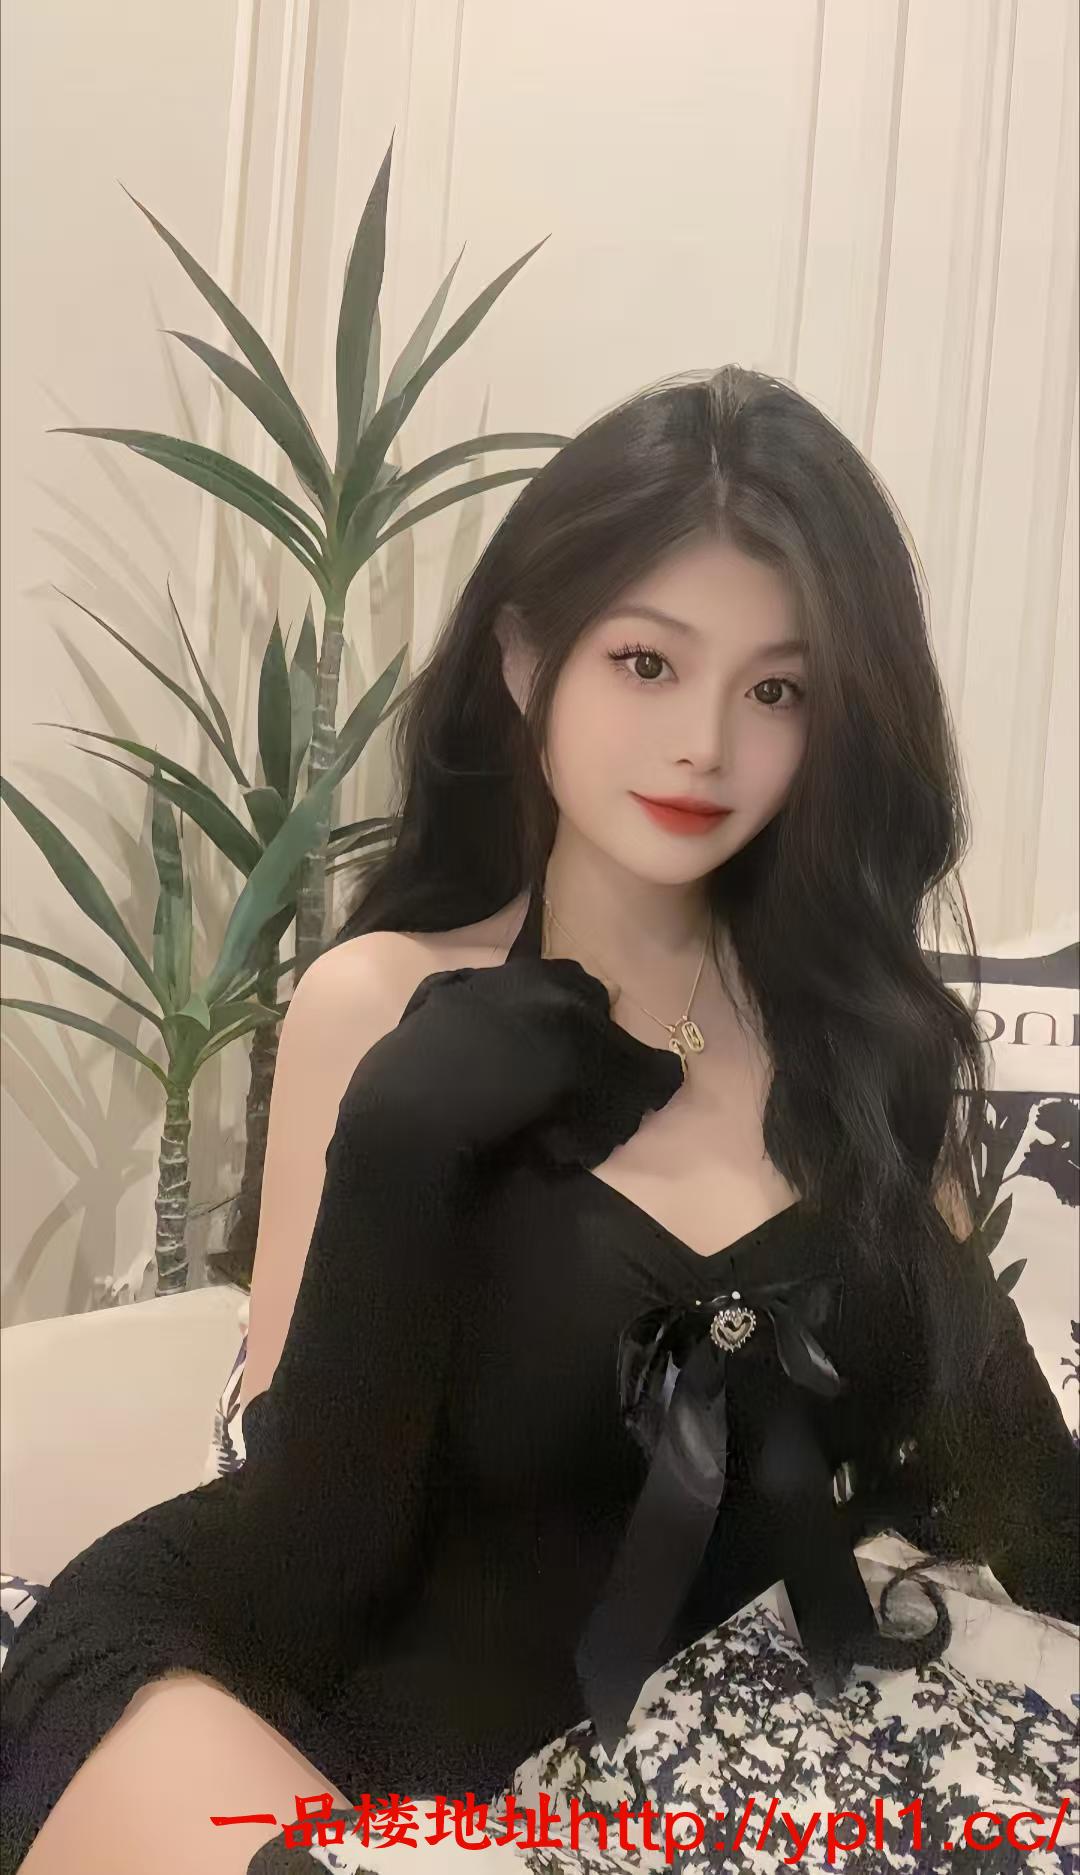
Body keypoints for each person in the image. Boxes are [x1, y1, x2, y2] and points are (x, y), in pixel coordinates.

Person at [2, 366, 1077, 1875]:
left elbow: (1023, 1495)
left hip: (695, 1769)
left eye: (776, 690)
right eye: (646, 663)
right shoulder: (379, 1005)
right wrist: (400, 1148)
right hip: (293, 1703)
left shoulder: (864, 1050)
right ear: (525, 661)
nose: (705, 742)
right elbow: (304, 1575)